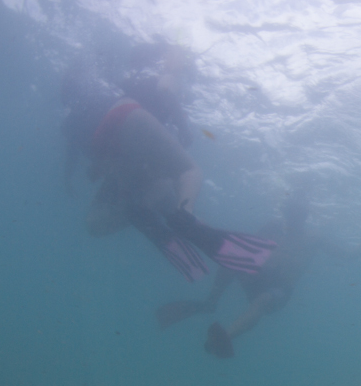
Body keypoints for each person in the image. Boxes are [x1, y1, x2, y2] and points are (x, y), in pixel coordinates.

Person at [59, 48, 274, 281]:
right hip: (126, 115)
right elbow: (167, 92)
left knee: (96, 224)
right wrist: (183, 127)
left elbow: (79, 153)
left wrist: (67, 177)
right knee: (188, 171)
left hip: (107, 150)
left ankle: (140, 214)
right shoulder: (164, 76)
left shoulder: (75, 117)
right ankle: (186, 216)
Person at [156, 195, 361, 358]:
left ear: (304, 216)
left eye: (297, 214)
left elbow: (349, 255)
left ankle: (225, 336)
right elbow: (242, 248)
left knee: (263, 300)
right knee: (230, 262)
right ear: (285, 212)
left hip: (280, 290)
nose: (293, 217)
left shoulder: (315, 237)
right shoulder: (273, 226)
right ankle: (210, 303)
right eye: (289, 212)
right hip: (258, 277)